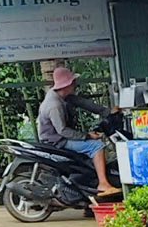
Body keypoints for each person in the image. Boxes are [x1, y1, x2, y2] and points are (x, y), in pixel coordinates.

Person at [36, 64, 119, 199]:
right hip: (57, 141)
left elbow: (83, 103)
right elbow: (62, 131)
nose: (75, 84)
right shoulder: (54, 105)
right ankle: (103, 184)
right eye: (73, 82)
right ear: (67, 84)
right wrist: (86, 136)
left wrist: (107, 112)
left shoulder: (62, 95)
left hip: (61, 136)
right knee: (97, 146)